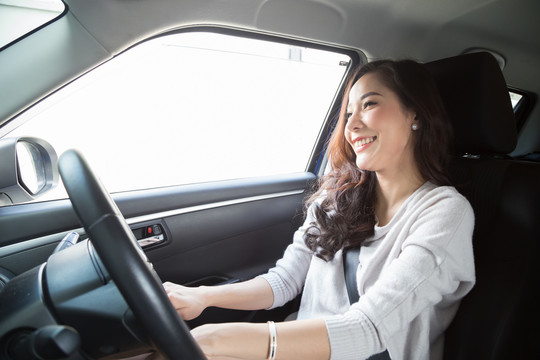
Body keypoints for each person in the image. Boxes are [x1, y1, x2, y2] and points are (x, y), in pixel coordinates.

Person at [162, 59, 475, 360]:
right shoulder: (336, 199)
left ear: (415, 113)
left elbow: (366, 329)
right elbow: (284, 282)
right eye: (349, 112)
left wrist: (217, 339)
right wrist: (203, 297)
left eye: (369, 104)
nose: (351, 124)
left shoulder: (445, 212)